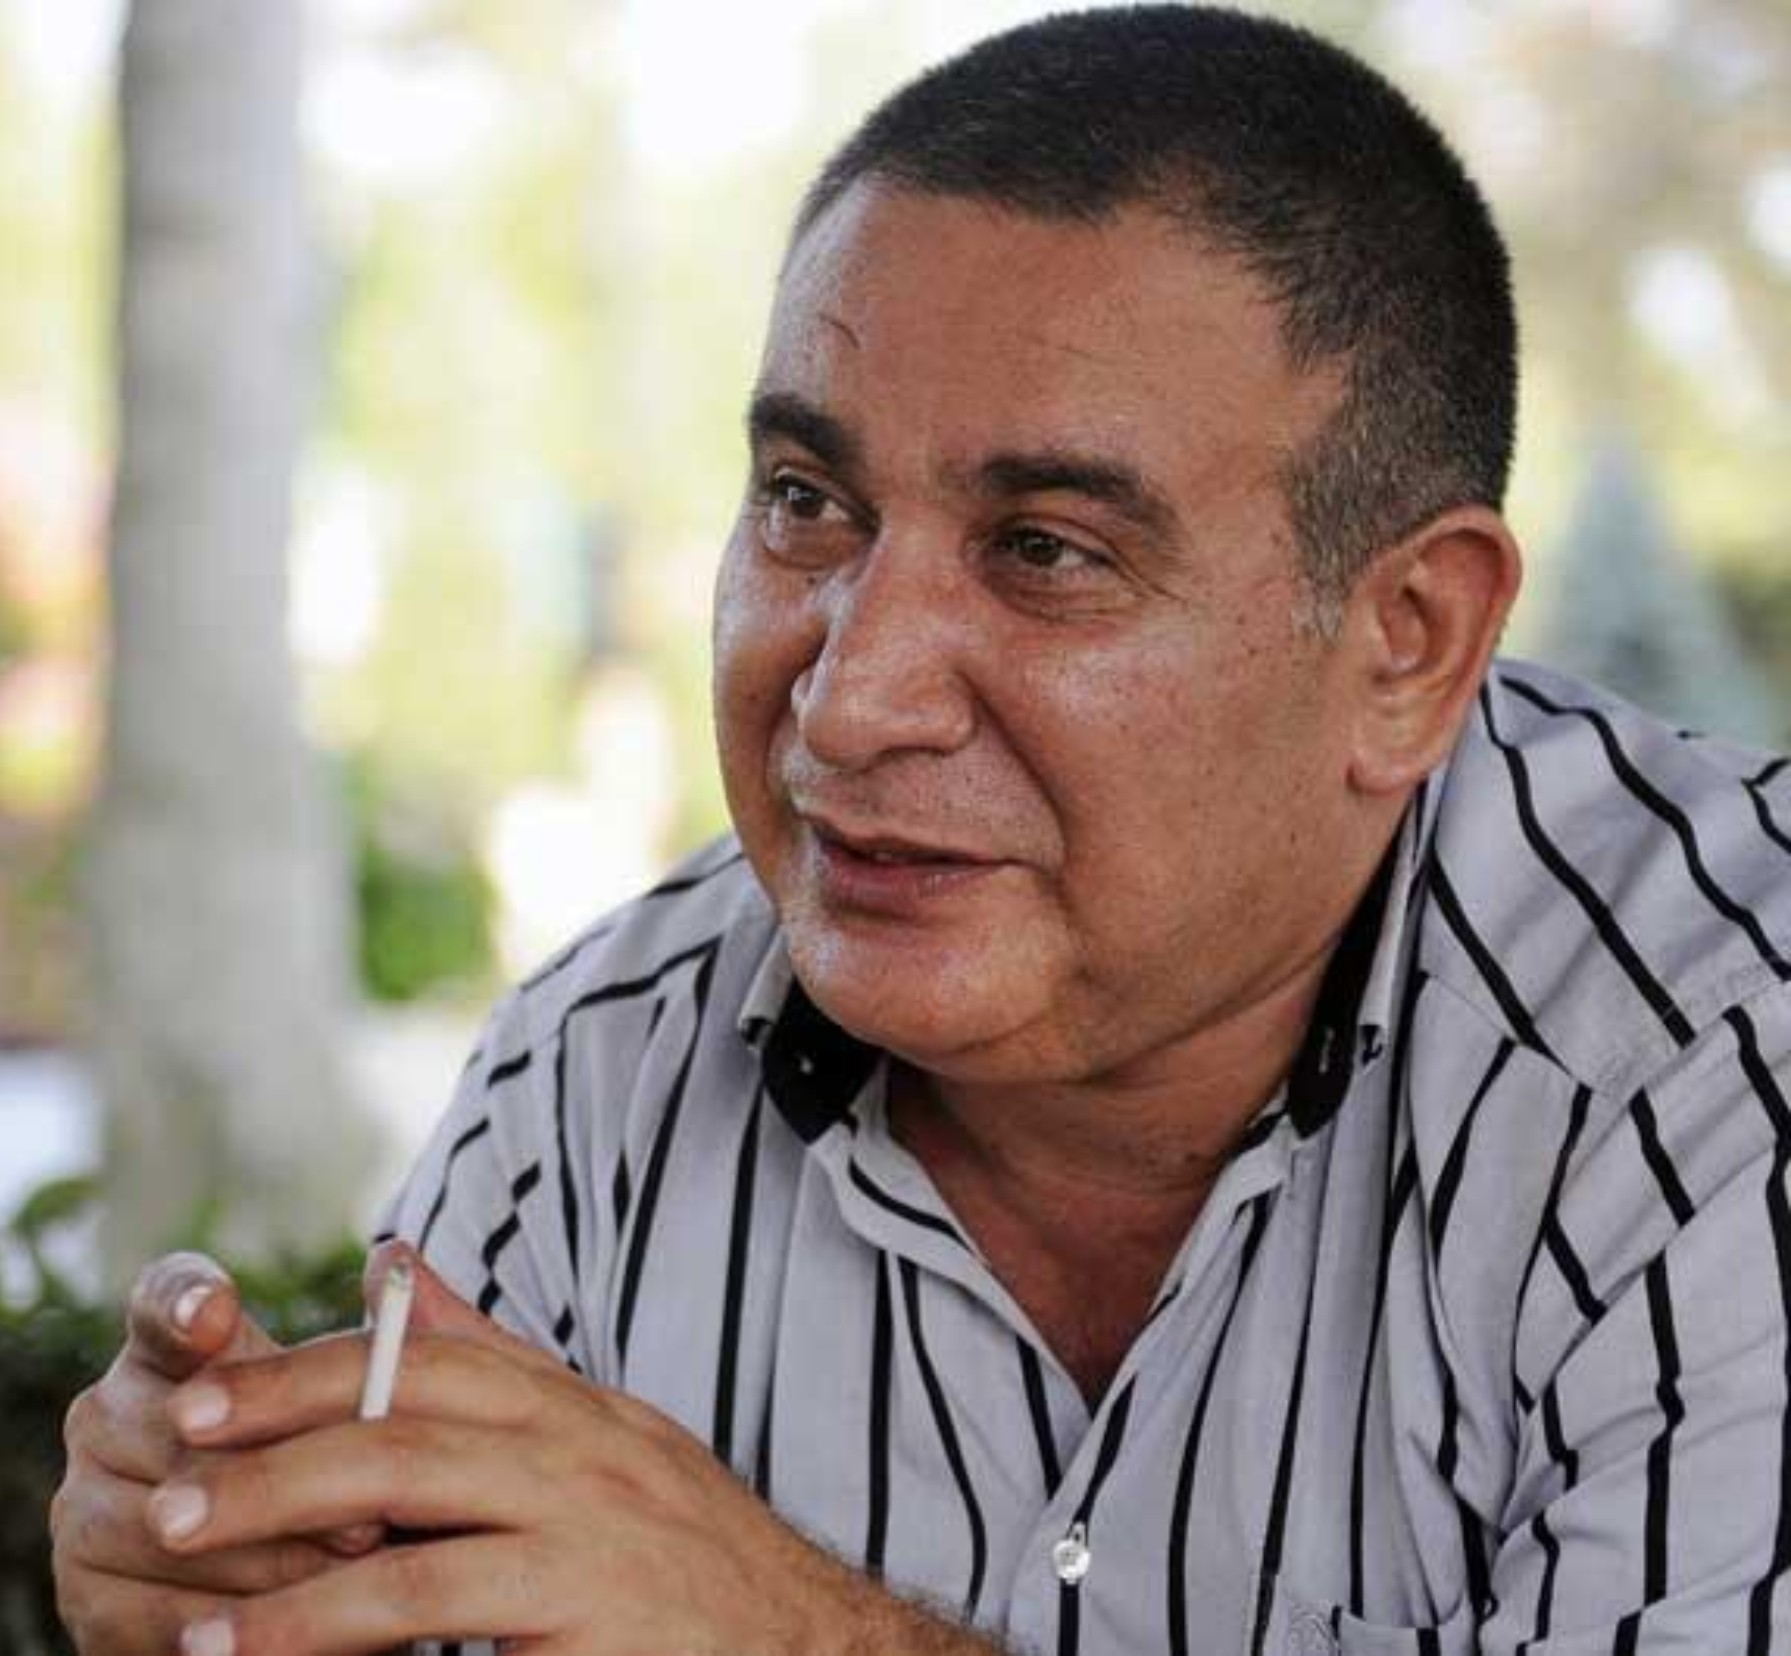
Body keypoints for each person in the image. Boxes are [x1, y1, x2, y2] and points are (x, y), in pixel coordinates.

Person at [50, 6, 1791, 1654]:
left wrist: (788, 1627)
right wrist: (241, 1592)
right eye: (806, 503)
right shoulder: (596, 1081)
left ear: (1407, 643)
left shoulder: (1723, 1065)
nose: (849, 698)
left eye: (1047, 550)